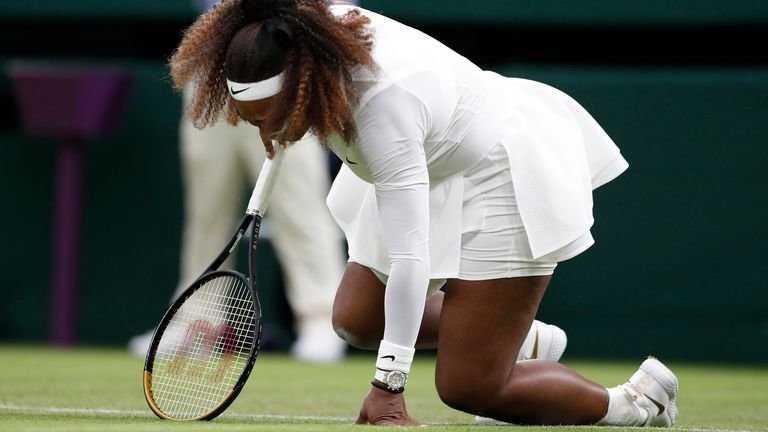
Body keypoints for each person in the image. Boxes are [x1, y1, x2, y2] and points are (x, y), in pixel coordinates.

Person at [167, 0, 679, 427]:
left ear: (305, 86)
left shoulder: (383, 108)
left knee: (469, 389)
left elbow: (412, 258)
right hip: (429, 156)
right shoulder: (296, 37)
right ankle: (524, 339)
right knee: (356, 319)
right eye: (250, 120)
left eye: (270, 118)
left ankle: (633, 404)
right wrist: (273, 117)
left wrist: (388, 388)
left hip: (501, 168)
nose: (265, 134)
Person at [128, 0, 348, 364]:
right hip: (212, 60)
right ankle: (196, 323)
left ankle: (322, 321)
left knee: (300, 209)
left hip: (288, 61)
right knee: (207, 214)